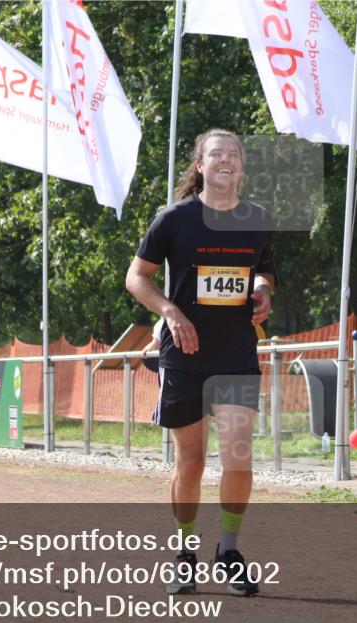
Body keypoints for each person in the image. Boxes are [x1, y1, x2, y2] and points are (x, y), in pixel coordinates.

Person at [126, 128, 277, 597]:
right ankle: (184, 553)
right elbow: (137, 276)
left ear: (241, 166)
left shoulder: (257, 219)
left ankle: (228, 552)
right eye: (216, 154)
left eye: (233, 154)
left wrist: (263, 291)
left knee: (238, 457)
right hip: (185, 356)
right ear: (201, 165)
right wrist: (169, 312)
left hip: (235, 355)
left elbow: (264, 270)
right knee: (190, 462)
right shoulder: (174, 218)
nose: (226, 160)